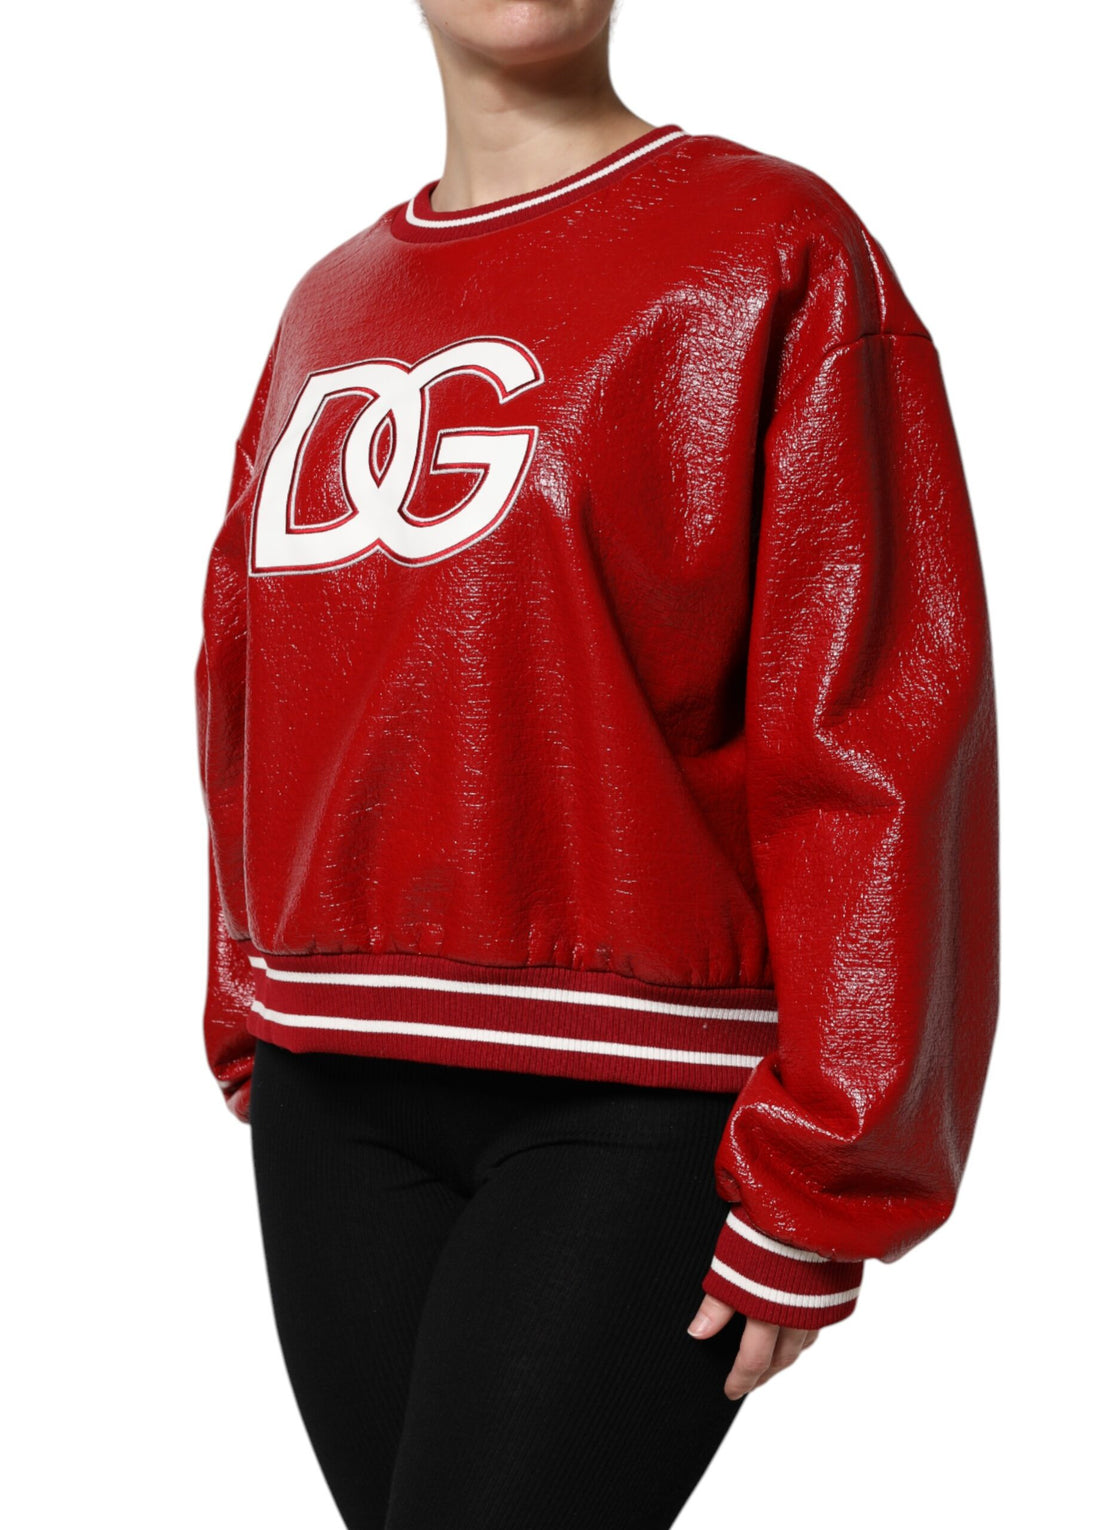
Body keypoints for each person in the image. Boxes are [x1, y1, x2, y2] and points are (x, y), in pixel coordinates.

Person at [194, 2, 999, 1526]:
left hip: (637, 1093)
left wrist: (835, 1158)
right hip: (331, 1087)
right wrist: (246, 996)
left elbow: (880, 711)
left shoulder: (773, 246)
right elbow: (247, 675)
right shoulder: (328, 301)